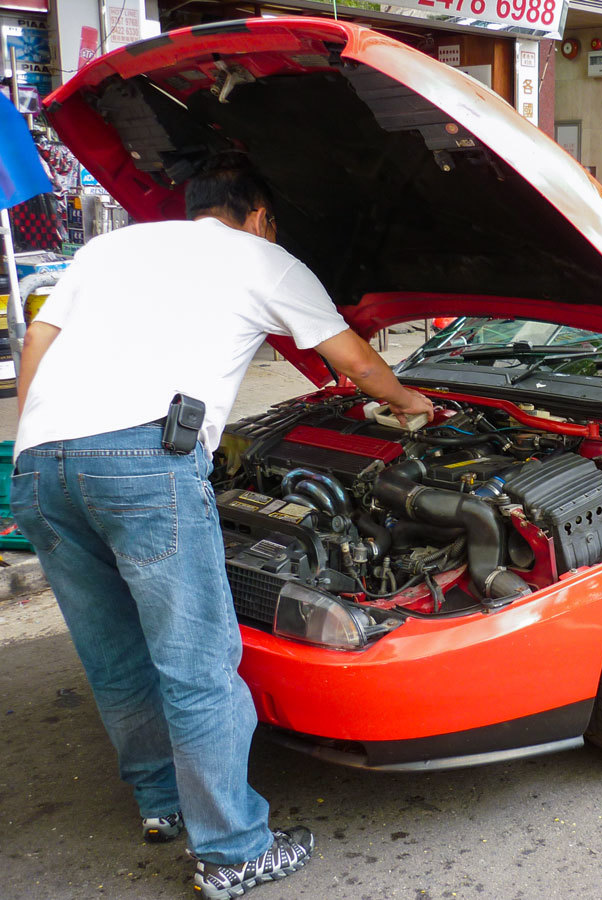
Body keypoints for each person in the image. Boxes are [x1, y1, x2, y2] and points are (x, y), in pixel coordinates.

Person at [10, 152, 434, 900]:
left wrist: (52, 426)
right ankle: (235, 851)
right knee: (198, 665)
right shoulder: (263, 261)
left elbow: (37, 341)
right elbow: (357, 364)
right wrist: (412, 407)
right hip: (144, 462)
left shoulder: (110, 247)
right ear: (261, 217)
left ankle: (160, 804)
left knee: (115, 655)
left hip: (39, 465)